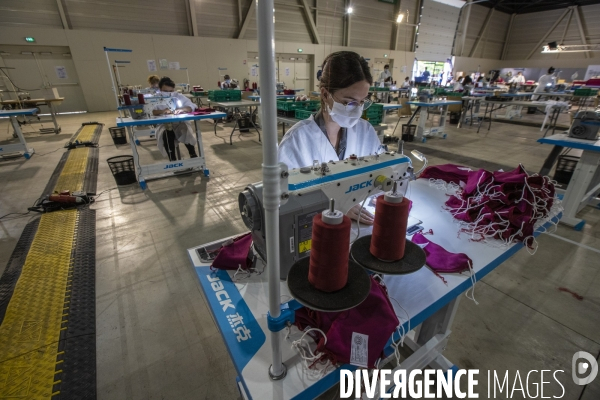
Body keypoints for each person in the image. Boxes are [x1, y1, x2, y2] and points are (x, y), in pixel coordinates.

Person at [278, 51, 383, 225]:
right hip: (314, 227)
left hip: (359, 222)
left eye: (363, 102)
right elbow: (284, 200)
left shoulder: (365, 132)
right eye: (350, 102)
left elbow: (379, 176)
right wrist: (338, 204)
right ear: (325, 94)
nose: (357, 110)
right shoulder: (297, 141)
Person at [153, 77, 198, 161]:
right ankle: (173, 160)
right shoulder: (155, 98)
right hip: (163, 124)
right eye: (165, 91)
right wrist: (163, 111)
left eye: (171, 91)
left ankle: (193, 155)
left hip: (179, 122)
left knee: (185, 129)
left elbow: (192, 106)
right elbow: (150, 111)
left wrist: (182, 109)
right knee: (167, 134)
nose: (169, 94)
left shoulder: (178, 96)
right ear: (160, 89)